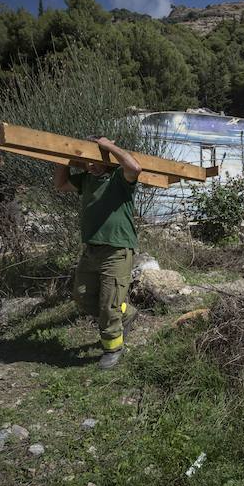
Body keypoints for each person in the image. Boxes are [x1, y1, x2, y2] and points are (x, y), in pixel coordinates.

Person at [55, 137, 142, 370]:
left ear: (107, 161)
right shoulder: (86, 180)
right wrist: (64, 157)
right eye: (88, 161)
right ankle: (126, 312)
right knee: (82, 296)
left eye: (97, 160)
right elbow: (61, 185)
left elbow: (135, 167)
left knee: (107, 305)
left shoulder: (119, 179)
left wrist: (109, 147)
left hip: (117, 250)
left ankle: (112, 348)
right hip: (91, 250)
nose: (92, 165)